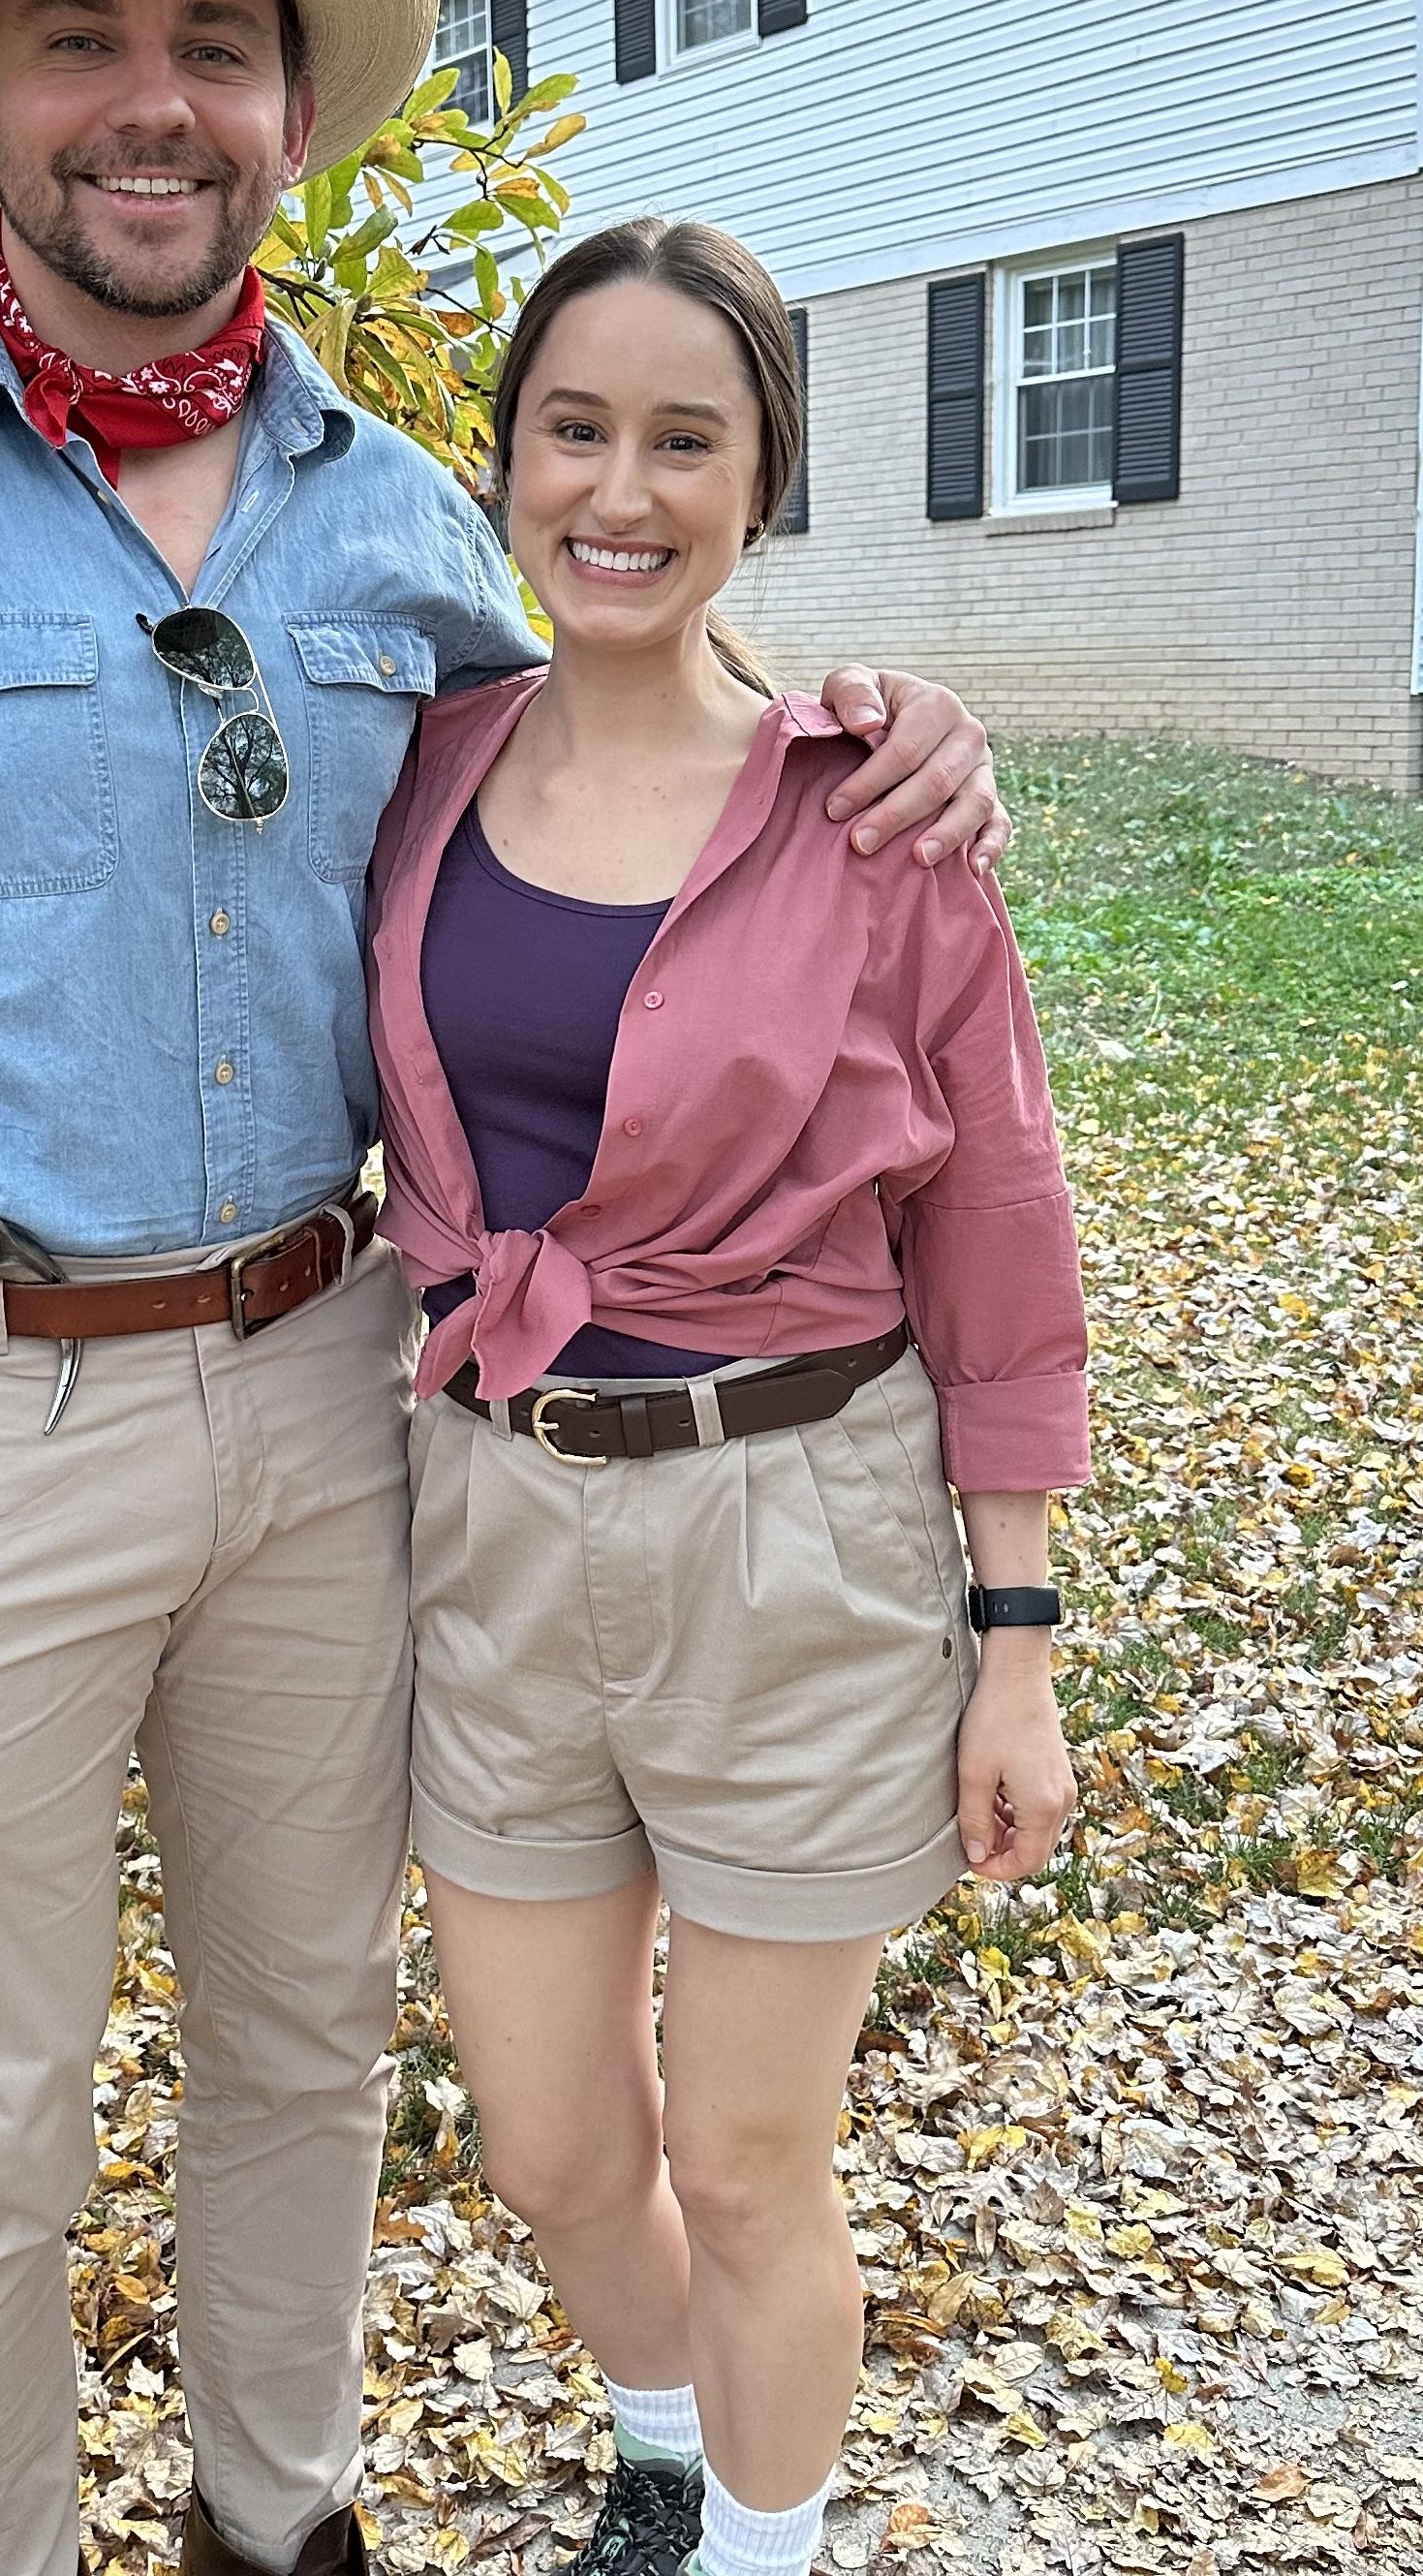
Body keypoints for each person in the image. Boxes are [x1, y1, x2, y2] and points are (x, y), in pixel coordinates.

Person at [0, 0, 1009, 2576]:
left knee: (314, 2040)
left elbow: (631, 716)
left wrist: (882, 738)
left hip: (342, 1393)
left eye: (218, 41)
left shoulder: (405, 518)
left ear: (293, 117)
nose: (153, 97)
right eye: (83, 36)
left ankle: (271, 2522)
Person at [366, 216, 1087, 2576]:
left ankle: (760, 2556)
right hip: (489, 1512)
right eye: (577, 427)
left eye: (688, 438)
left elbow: (994, 1231)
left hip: (797, 1530)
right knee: (557, 2146)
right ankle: (663, 2446)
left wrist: (1019, 1642)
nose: (623, 486)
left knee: (755, 2155)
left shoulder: (873, 817)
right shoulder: (426, 767)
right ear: (505, 462)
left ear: (761, 482)